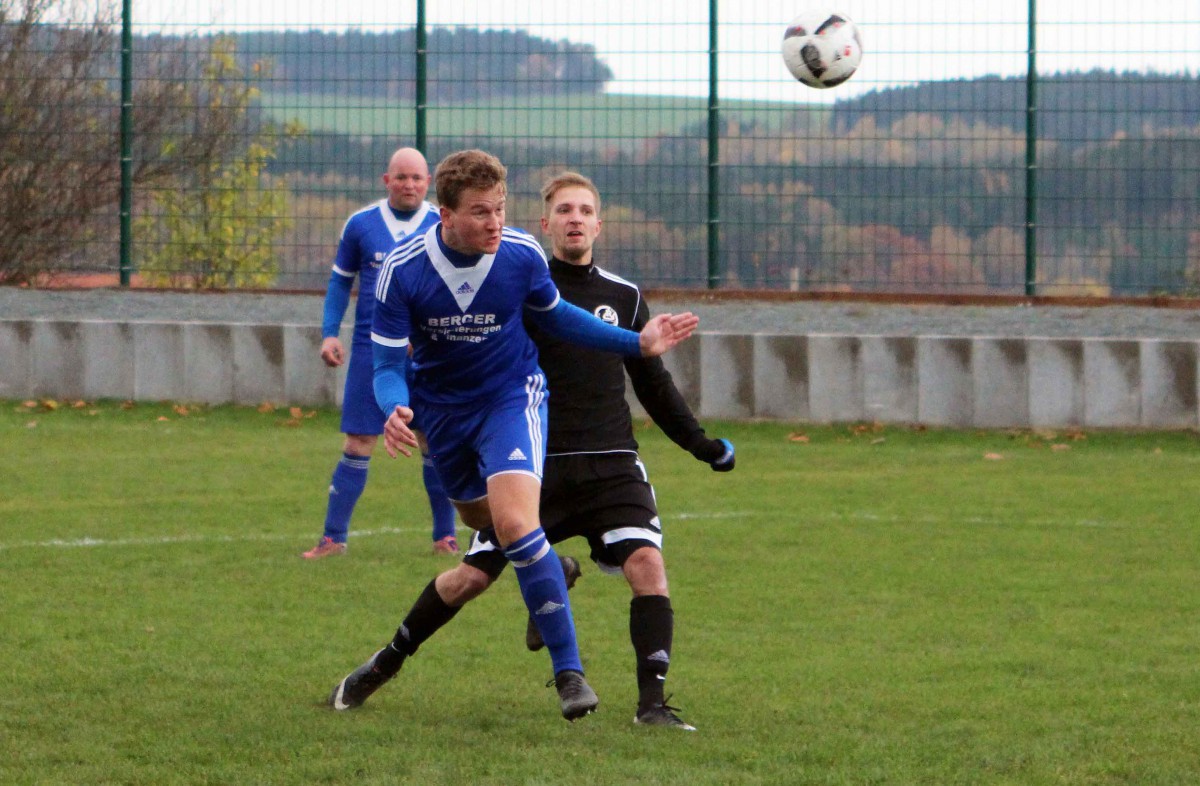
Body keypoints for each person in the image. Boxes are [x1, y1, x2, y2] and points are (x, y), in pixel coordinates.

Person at [329, 168, 731, 730]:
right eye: (481, 212)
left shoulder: (524, 258)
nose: (496, 221)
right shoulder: (402, 270)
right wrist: (395, 405)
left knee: (532, 530)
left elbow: (564, 319)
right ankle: (388, 660)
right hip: (445, 417)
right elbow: (388, 362)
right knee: (474, 557)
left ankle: (577, 676)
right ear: (445, 215)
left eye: (500, 208)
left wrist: (635, 343)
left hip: (513, 405)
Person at [303, 147, 458, 559]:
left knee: (434, 439)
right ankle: (333, 538)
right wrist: (329, 333)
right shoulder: (361, 224)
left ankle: (446, 536)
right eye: (401, 177)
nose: (409, 185)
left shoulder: (442, 223)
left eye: (417, 178)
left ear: (429, 183)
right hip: (373, 351)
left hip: (429, 353)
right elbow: (340, 283)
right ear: (386, 180)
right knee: (359, 439)